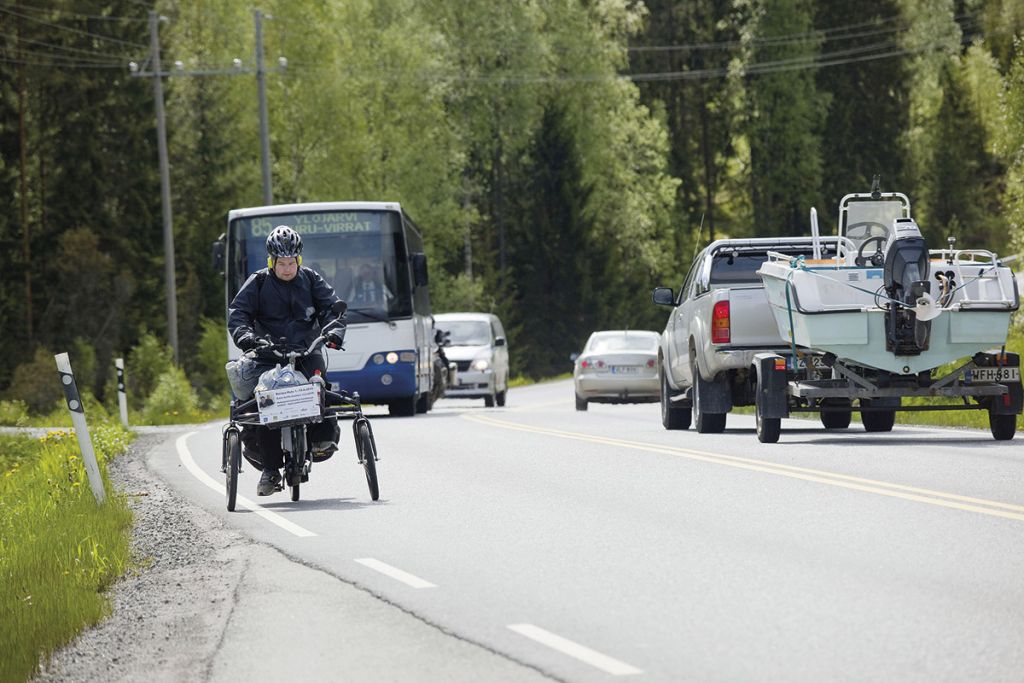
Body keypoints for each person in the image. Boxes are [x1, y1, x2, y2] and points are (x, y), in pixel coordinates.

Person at [228, 225, 344, 496]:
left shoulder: (311, 279)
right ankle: (270, 471)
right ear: (272, 262)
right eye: (282, 263)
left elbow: (332, 308)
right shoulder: (257, 283)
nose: (288, 268)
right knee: (267, 401)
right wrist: (246, 337)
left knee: (319, 385)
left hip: (307, 349)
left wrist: (334, 332)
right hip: (268, 354)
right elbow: (238, 314)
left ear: (298, 260)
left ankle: (321, 440)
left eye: (292, 262)